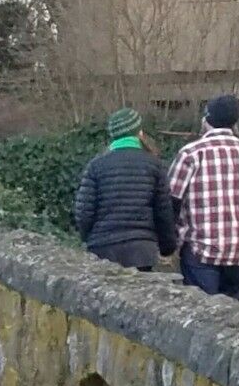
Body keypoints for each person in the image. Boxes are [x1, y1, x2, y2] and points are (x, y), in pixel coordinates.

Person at [169, 95, 239, 299]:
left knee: (202, 312)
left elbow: (172, 200)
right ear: (235, 122)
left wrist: (171, 241)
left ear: (206, 120)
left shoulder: (191, 153)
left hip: (202, 249)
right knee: (232, 314)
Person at [73, 108, 178, 271]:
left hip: (103, 247)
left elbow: (84, 212)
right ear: (140, 133)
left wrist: (89, 239)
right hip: (142, 250)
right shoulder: (154, 164)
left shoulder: (96, 166)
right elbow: (163, 211)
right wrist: (168, 247)